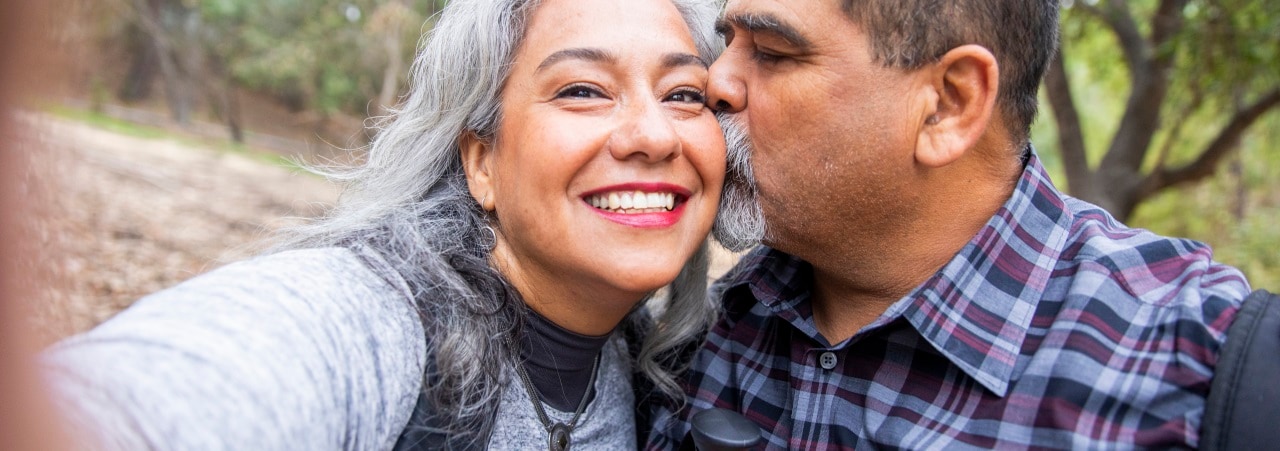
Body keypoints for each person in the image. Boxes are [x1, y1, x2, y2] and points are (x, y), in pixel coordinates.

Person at [40, 0, 725, 449]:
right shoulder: (372, 319)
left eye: (685, 94)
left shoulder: (662, 378)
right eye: (582, 90)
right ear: (480, 160)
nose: (653, 134)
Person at [648, 0, 1254, 449]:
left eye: (774, 53)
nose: (715, 82)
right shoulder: (705, 331)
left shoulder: (1197, 367)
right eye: (727, 41)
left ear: (948, 105)